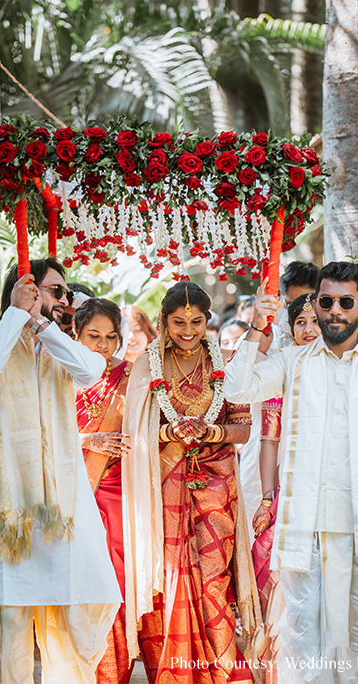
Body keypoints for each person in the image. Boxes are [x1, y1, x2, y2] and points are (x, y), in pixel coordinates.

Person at [224, 261, 358, 683]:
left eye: (345, 302)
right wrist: (258, 323)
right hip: (306, 526)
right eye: (325, 301)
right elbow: (237, 389)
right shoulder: (292, 362)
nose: (334, 311)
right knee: (300, 639)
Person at [0, 258, 122, 684]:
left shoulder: (63, 350)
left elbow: (91, 371)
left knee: (72, 615)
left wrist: (45, 327)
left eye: (66, 293)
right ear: (22, 291)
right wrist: (17, 314)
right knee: (6, 619)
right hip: (4, 506)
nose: (65, 300)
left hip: (60, 512)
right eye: (56, 291)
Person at [122, 281, 263, 684]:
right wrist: (168, 435)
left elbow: (242, 427)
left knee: (214, 580)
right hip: (162, 484)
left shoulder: (227, 362)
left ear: (208, 321)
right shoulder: (147, 365)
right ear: (164, 322)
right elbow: (135, 428)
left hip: (215, 488)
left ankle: (221, 669)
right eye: (179, 322)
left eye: (196, 322)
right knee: (170, 578)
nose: (188, 330)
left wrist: (209, 433)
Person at [251, 293, 321, 683]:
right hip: (291, 497)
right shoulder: (283, 372)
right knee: (282, 582)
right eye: (301, 323)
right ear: (290, 330)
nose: (309, 329)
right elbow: (268, 442)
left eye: (315, 321)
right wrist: (266, 498)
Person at [75, 298, 132, 684]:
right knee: (79, 582)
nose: (103, 345)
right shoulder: (61, 372)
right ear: (75, 335)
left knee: (115, 582)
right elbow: (42, 431)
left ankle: (114, 671)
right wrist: (90, 439)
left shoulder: (130, 376)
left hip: (118, 492)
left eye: (111, 337)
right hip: (73, 487)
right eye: (93, 336)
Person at [276, 261, 320, 347]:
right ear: (280, 297)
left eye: (309, 305)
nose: (307, 330)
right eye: (292, 305)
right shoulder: (269, 335)